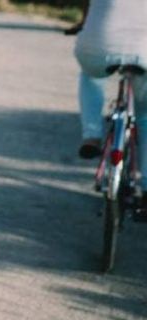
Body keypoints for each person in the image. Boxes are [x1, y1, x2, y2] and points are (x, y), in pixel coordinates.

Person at [69, 0, 147, 183]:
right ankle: (146, 187)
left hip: (99, 45)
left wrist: (83, 23)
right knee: (144, 117)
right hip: (143, 51)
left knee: (91, 75)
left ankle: (91, 135)